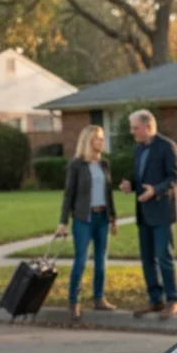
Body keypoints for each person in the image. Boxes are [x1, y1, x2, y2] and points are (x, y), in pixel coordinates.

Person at [119, 109, 177, 320]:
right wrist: (131, 184)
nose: (132, 132)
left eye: (135, 128)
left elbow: (175, 178)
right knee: (147, 259)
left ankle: (173, 300)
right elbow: (141, 177)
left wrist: (155, 190)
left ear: (148, 127)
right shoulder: (139, 149)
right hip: (144, 213)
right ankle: (155, 300)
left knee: (164, 257)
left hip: (163, 211)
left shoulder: (167, 146)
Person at [56, 125, 118, 321]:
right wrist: (63, 222)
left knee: (101, 261)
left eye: (102, 138)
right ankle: (74, 301)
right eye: (98, 138)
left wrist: (113, 217)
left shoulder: (104, 164)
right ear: (89, 141)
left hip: (102, 218)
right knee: (81, 260)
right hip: (84, 218)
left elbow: (109, 194)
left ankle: (99, 298)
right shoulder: (77, 165)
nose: (102, 141)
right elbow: (69, 194)